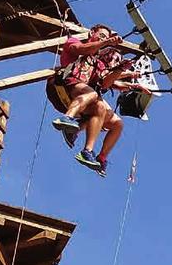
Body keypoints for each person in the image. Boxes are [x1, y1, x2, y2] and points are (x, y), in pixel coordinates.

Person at [47, 25, 153, 177]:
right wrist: (107, 42)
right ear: (92, 33)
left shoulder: (98, 64)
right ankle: (68, 119)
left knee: (113, 120)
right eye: (101, 35)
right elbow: (81, 50)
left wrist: (121, 71)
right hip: (64, 84)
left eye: (105, 37)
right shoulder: (74, 41)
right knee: (94, 95)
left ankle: (90, 153)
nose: (103, 39)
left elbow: (104, 82)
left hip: (82, 95)